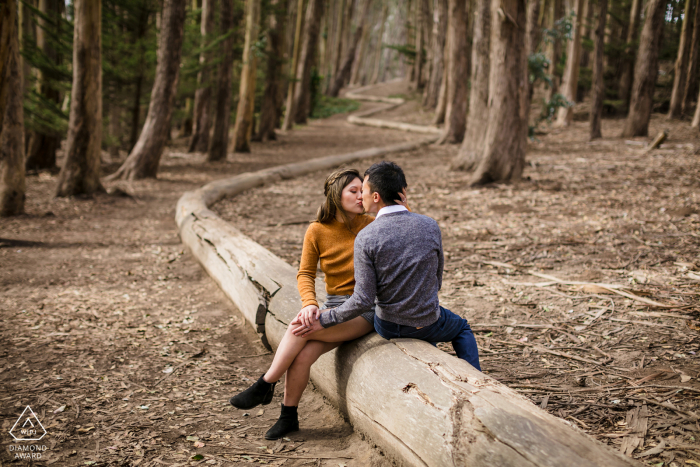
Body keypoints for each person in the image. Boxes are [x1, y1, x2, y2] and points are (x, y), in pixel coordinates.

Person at [228, 168, 406, 440]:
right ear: (337, 195)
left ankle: (265, 384)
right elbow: (305, 273)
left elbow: (403, 233)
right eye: (354, 191)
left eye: (363, 191)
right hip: (334, 307)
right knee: (303, 356)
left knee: (300, 326)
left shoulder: (372, 225)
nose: (361, 197)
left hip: (365, 308)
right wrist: (310, 302)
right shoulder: (317, 230)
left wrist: (403, 206)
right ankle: (289, 417)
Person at [295, 161, 481, 372]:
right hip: (426, 319)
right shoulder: (429, 225)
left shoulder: (366, 235)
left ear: (375, 197)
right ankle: (475, 375)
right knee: (461, 328)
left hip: (387, 324)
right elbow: (436, 281)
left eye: (363, 190)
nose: (360, 196)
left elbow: (364, 298)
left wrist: (326, 318)